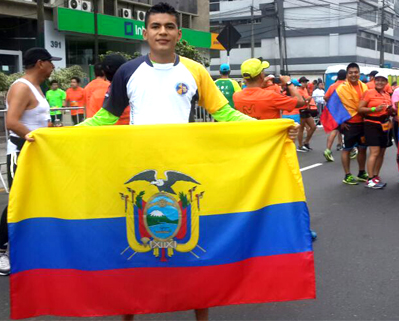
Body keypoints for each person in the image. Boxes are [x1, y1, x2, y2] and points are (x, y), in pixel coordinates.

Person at [77, 5, 300, 319]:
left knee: (195, 248)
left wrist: (270, 128)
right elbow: (104, 118)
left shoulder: (195, 71)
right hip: (138, 172)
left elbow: (225, 114)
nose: (163, 32)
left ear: (178, 34)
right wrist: (59, 137)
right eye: (156, 26)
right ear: (146, 32)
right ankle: (130, 313)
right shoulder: (128, 71)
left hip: (184, 171)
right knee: (134, 245)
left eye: (169, 26)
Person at [0, 47, 60, 276]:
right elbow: (12, 122)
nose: (53, 67)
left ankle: (32, 247)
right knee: (17, 201)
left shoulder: (38, 88)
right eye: (51, 62)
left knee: (41, 199)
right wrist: (34, 137)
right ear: (41, 63)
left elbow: (41, 122)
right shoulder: (21, 87)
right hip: (21, 151)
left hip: (37, 151)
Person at [232, 59, 304, 120]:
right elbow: (300, 102)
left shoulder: (236, 96)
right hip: (270, 136)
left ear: (244, 77)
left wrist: (261, 86)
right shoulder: (271, 96)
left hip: (247, 136)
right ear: (261, 75)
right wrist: (289, 83)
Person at [358, 74, 392, 188]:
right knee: (375, 152)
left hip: (384, 125)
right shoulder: (368, 92)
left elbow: (388, 110)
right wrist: (374, 109)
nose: (380, 82)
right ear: (374, 81)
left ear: (386, 82)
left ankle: (376, 176)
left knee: (382, 152)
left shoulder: (387, 95)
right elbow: (360, 108)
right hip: (371, 124)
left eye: (383, 80)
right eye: (378, 80)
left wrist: (391, 111)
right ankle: (370, 179)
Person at [338, 63, 369, 185]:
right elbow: (335, 105)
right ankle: (347, 175)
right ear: (347, 74)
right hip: (349, 124)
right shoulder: (342, 88)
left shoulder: (364, 87)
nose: (353, 75)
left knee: (362, 148)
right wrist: (341, 121)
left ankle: (361, 172)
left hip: (363, 123)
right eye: (351, 73)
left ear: (359, 74)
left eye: (356, 72)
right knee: (347, 149)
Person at [322, 69, 347, 161]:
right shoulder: (347, 85)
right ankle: (352, 149)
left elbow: (325, 97)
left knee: (335, 130)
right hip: (345, 111)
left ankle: (328, 149)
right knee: (348, 129)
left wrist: (332, 103)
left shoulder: (333, 85)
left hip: (334, 111)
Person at [298, 77, 317, 152]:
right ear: (300, 83)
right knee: (301, 128)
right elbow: (302, 100)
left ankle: (306, 142)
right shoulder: (298, 90)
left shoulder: (305, 89)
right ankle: (300, 146)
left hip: (306, 109)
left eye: (305, 82)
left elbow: (307, 100)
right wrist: (307, 99)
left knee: (313, 127)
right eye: (303, 82)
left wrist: (308, 102)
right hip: (300, 110)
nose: (305, 83)